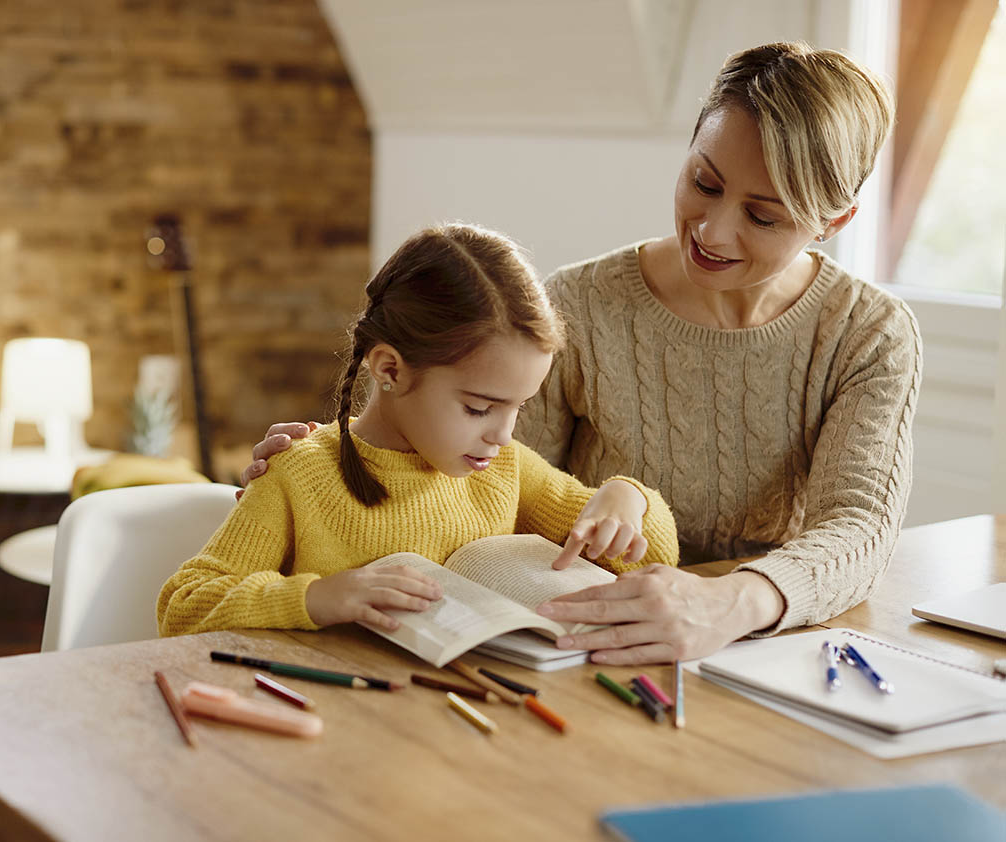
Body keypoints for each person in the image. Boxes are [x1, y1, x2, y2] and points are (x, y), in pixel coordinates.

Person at [237, 42, 922, 664]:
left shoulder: (867, 332)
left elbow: (858, 526)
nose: (712, 231)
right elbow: (475, 483)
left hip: (774, 648)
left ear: (833, 223)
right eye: (703, 183)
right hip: (587, 651)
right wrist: (326, 465)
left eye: (763, 216)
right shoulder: (579, 305)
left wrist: (730, 602)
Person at [157, 223, 679, 637]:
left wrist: (625, 498)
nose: (503, 433)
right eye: (479, 408)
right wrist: (317, 597)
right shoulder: (299, 473)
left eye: (518, 407)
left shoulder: (505, 468)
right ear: (390, 370)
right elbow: (184, 606)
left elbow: (656, 557)